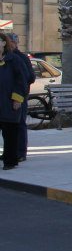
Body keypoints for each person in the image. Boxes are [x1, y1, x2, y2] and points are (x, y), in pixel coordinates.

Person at [3, 33, 33, 162]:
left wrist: (19, 95)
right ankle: (8, 152)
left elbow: (29, 77)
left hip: (19, 97)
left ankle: (20, 153)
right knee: (7, 127)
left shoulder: (20, 58)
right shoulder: (4, 57)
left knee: (19, 124)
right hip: (4, 98)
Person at [0, 32, 26, 170]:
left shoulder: (14, 60)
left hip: (9, 103)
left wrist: (17, 99)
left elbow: (22, 80)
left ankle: (10, 161)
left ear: (4, 43)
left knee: (9, 133)